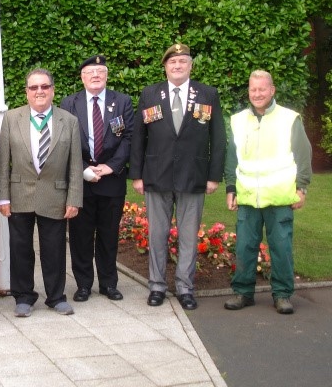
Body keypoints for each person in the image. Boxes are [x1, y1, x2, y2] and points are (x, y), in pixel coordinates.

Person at [129, 43, 226, 310]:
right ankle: (157, 286)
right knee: (157, 234)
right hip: (156, 176)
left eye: (183, 61)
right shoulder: (150, 94)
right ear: (165, 67)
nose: (178, 66)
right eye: (173, 62)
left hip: (193, 176)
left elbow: (218, 138)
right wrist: (136, 175)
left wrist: (214, 176)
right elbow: (139, 137)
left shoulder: (208, 94)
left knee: (188, 236)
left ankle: (185, 288)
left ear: (190, 65)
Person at [0, 68, 83, 317]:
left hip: (55, 195)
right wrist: (2, 196)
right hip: (19, 193)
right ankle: (23, 296)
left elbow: (75, 164)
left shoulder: (69, 121)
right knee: (20, 249)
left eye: (44, 86)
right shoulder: (12, 118)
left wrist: (74, 198)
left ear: (53, 90)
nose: (39, 92)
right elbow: (2, 160)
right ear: (26, 92)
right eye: (34, 88)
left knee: (54, 249)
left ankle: (56, 297)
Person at [223, 70, 312, 314]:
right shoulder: (238, 120)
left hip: (280, 196)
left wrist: (302, 186)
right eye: (253, 89)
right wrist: (230, 187)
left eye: (262, 89)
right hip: (248, 196)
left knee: (281, 247)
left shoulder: (289, 118)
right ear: (249, 92)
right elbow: (232, 158)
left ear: (272, 90)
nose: (257, 94)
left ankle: (282, 294)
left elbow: (303, 154)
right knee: (244, 247)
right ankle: (243, 293)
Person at [60, 55, 134, 302]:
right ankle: (83, 285)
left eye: (100, 71)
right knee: (80, 236)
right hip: (80, 181)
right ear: (82, 77)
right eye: (90, 71)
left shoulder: (121, 101)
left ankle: (109, 283)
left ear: (106, 75)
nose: (95, 75)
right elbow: (64, 142)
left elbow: (129, 138)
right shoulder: (69, 103)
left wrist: (111, 167)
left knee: (109, 235)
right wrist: (83, 169)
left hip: (111, 180)